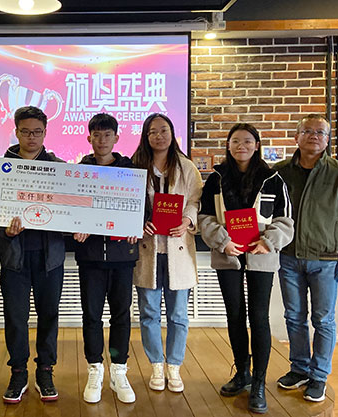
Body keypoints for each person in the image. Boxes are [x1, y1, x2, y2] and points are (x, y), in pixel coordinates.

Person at [198, 123, 294, 413]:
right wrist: (223, 241)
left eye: (248, 141)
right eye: (236, 141)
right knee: (235, 315)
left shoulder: (273, 179)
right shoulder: (215, 179)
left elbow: (285, 220)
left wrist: (268, 242)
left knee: (259, 317)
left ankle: (260, 384)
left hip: (260, 256)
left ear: (257, 145)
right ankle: (242, 373)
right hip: (228, 255)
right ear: (228, 145)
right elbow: (204, 217)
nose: (242, 146)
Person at [273, 114, 338, 402]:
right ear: (296, 137)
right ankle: (299, 369)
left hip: (326, 260)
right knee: (294, 317)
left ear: (327, 139)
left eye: (320, 132)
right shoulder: (279, 172)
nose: (314, 136)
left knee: (323, 319)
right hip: (288, 258)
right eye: (307, 131)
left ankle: (319, 375)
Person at [0, 106, 65, 404]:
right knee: (15, 317)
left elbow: (71, 210)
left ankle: (45, 371)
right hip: (15, 257)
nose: (31, 137)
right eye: (25, 131)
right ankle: (18, 372)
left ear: (45, 133)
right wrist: (5, 230)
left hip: (50, 258)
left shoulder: (59, 168)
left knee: (49, 315)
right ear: (16, 132)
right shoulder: (3, 168)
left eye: (37, 132)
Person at [132, 113, 202, 393]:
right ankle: (156, 365)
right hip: (148, 249)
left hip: (178, 249)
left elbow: (196, 200)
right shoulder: (136, 165)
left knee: (178, 314)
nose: (158, 136)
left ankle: (174, 365)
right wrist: (139, 222)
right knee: (149, 312)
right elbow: (126, 201)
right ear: (145, 136)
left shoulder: (187, 167)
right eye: (152, 131)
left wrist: (187, 220)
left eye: (164, 130)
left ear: (172, 133)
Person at [73, 113, 138, 404]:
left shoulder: (130, 171)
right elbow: (70, 209)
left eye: (107, 135)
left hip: (123, 256)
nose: (101, 140)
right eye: (96, 135)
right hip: (90, 258)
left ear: (116, 137)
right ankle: (95, 368)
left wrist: (137, 226)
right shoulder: (79, 171)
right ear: (89, 138)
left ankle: (119, 370)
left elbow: (142, 208)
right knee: (91, 315)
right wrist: (75, 226)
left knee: (121, 315)